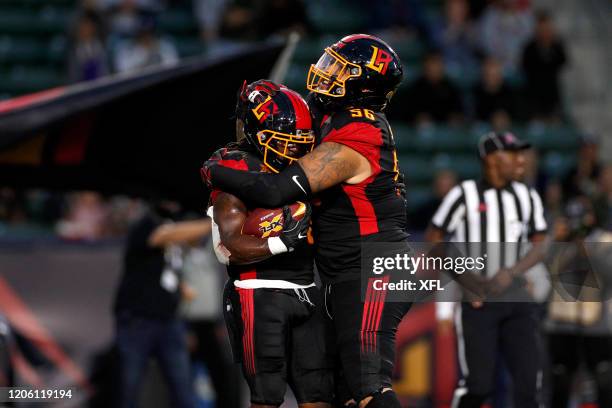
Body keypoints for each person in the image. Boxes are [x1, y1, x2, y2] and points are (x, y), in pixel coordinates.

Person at [202, 34, 410, 408]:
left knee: (368, 387)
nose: (326, 72)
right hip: (342, 272)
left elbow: (277, 190)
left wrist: (217, 169)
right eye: (330, 62)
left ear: (363, 85)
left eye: (340, 69)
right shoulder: (329, 113)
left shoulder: (359, 131)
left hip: (372, 265)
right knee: (345, 395)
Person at [205, 81, 333, 408]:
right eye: (287, 143)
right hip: (258, 292)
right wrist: (281, 241)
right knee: (267, 396)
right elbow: (228, 246)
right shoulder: (237, 167)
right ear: (258, 135)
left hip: (307, 287)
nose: (296, 152)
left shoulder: (302, 170)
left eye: (302, 143)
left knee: (318, 393)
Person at [426, 132, 548, 408]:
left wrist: (513, 271)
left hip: (517, 299)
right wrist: (466, 279)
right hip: (479, 301)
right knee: (478, 386)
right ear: (491, 159)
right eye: (512, 153)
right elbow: (434, 239)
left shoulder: (527, 195)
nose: (521, 160)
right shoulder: (464, 194)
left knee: (529, 386)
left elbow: (541, 245)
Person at [113, 201, 211, 408]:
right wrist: (214, 222)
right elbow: (162, 236)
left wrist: (182, 288)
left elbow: (171, 267)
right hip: (138, 318)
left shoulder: (174, 226)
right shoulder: (146, 223)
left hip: (170, 320)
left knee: (183, 390)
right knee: (130, 388)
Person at [521, 10, 568, 120]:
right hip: (534, 96)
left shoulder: (557, 47)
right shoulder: (529, 48)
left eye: (547, 29)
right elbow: (527, 68)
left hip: (553, 94)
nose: (545, 32)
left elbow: (563, 62)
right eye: (542, 29)